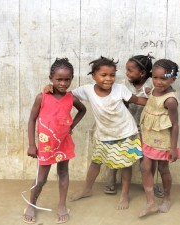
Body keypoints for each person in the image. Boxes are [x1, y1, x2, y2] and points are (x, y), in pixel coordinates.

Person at [46, 56, 147, 210]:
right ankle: (87, 189)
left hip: (125, 132)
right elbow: (66, 95)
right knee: (95, 163)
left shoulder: (120, 89)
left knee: (126, 165)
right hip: (104, 134)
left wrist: (159, 100)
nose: (108, 79)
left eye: (112, 75)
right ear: (93, 76)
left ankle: (125, 194)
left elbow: (137, 100)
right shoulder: (86, 90)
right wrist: (50, 88)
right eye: (104, 75)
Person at [23, 58, 86, 224]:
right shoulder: (42, 97)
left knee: (63, 173)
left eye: (67, 79)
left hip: (63, 142)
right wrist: (31, 144)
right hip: (46, 145)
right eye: (59, 79)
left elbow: (82, 110)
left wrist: (71, 125)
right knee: (41, 178)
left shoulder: (71, 98)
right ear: (51, 78)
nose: (63, 83)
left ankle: (61, 205)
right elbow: (31, 120)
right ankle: (31, 204)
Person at [104, 54, 164, 198]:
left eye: (130, 70)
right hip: (125, 126)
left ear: (142, 73)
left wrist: (152, 94)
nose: (127, 73)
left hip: (147, 127)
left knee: (148, 158)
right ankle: (111, 179)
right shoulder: (125, 84)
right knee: (119, 153)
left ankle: (148, 183)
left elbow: (162, 100)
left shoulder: (153, 83)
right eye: (127, 70)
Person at [138, 59, 180, 218]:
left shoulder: (170, 100)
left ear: (173, 79)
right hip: (148, 137)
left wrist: (173, 148)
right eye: (155, 78)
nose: (158, 82)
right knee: (144, 168)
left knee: (163, 169)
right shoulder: (153, 91)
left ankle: (167, 197)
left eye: (163, 78)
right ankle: (151, 203)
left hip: (163, 141)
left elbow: (175, 125)